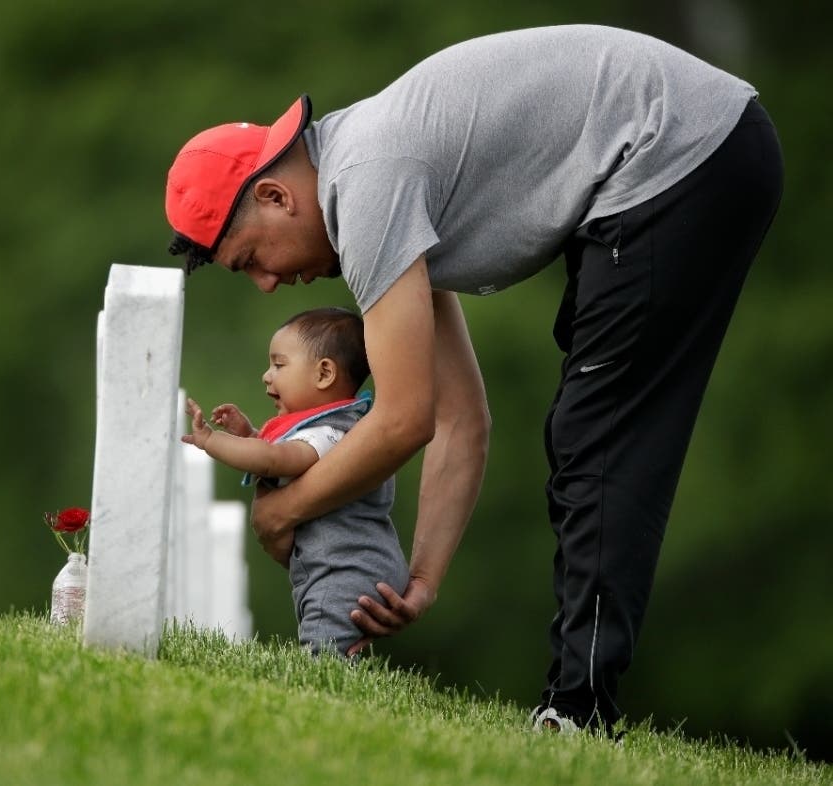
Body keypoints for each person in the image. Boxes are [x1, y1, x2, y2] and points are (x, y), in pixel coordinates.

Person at [163, 24, 783, 734]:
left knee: (599, 436)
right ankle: (577, 705)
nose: (270, 285)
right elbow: (460, 419)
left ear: (275, 195)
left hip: (681, 149)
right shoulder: (372, 182)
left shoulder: (364, 184)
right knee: (591, 424)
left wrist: (285, 509)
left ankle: (574, 715)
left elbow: (401, 420)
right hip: (697, 148)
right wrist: (422, 578)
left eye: (251, 261)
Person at [182, 306, 409, 657]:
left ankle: (324, 683)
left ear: (323, 373)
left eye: (279, 364)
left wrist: (213, 442)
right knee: (333, 636)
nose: (266, 376)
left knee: (323, 647)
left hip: (345, 568)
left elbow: (276, 460)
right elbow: (284, 456)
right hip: (352, 564)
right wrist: (249, 434)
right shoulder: (327, 431)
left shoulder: (332, 431)